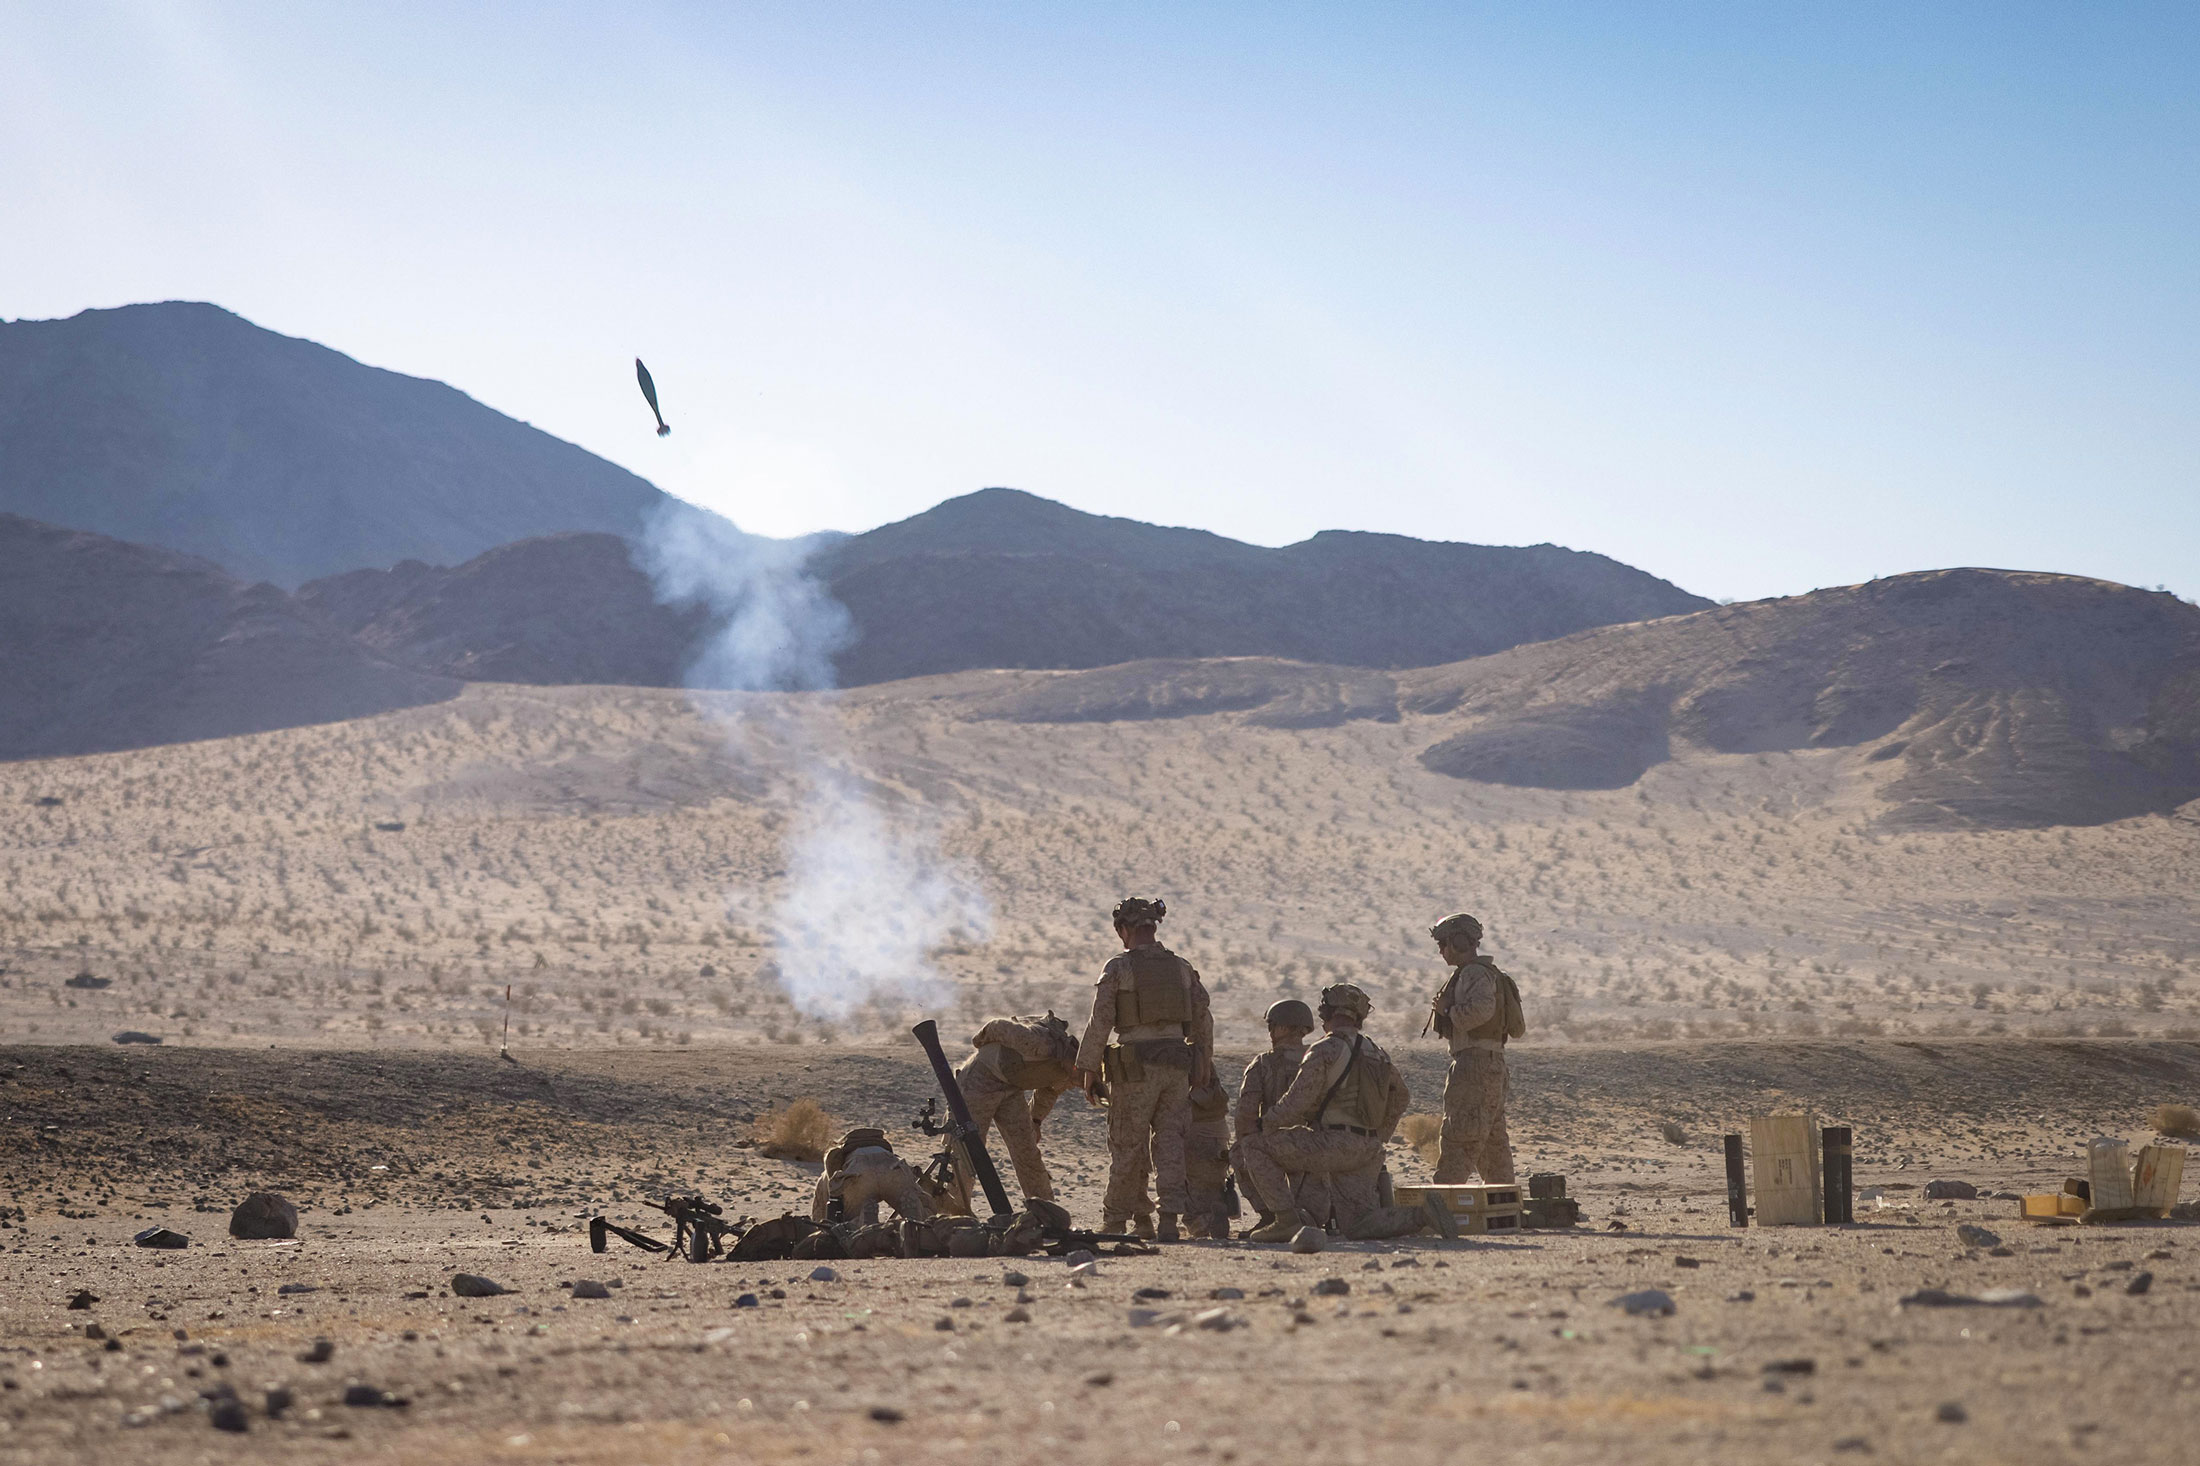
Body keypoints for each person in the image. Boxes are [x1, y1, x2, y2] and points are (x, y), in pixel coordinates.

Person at [1074, 897, 1215, 1243]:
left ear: (1125, 930)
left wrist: (1088, 1068)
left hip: (1136, 1068)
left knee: (1127, 1145)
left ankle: (1116, 1221)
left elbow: (1101, 1020)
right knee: (1170, 1142)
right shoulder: (1181, 967)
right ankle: (1167, 1217)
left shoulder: (1118, 968)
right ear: (1153, 927)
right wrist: (1203, 1063)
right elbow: (1203, 1019)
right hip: (1176, 1067)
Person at [1240, 984, 1421, 1242]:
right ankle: (1421, 1217)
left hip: (1331, 1144)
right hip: (1368, 1150)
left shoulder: (1325, 1049)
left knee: (1254, 1146)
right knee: (1358, 1224)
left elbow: (1297, 1101)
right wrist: (1380, 1135)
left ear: (1327, 1012)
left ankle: (1285, 1220)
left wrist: (1265, 1124)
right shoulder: (1377, 1052)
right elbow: (1401, 1095)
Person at [1426, 913, 1524, 1185]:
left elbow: (1481, 1010)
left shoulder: (1474, 974)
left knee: (1460, 1136)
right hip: (1489, 1065)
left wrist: (1448, 1010)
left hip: (1474, 1066)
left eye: (1444, 943)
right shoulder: (1482, 974)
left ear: (1459, 942)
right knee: (1493, 1144)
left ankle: (1443, 1206)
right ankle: (1504, 1206)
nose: (1441, 951)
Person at [955, 1012, 1078, 1203]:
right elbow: (997, 1026)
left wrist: (1035, 1120)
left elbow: (1048, 1092)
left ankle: (1046, 1212)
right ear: (1077, 1066)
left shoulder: (1069, 1072)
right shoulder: (1041, 1044)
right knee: (969, 1149)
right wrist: (979, 1043)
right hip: (979, 1080)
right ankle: (955, 1211)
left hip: (1010, 1087)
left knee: (1027, 1152)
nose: (1081, 1085)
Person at [1229, 998, 1315, 1233]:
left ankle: (1271, 1216)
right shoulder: (1319, 1060)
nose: (1270, 1032)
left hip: (1273, 1144)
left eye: (1272, 1026)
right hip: (1318, 1144)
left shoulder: (1263, 1063)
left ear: (1284, 1028)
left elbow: (1245, 1114)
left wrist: (1249, 1139)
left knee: (1239, 1152)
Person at [810, 1128, 934, 1225]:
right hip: (892, 1166)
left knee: (849, 1228)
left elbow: (820, 1215)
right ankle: (916, 1222)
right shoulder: (883, 1150)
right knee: (921, 1211)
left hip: (858, 1174)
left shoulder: (828, 1171)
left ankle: (863, 1222)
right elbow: (923, 1197)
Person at [1183, 1076, 1233, 1238]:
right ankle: (1216, 1212)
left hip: (1194, 1128)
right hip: (1217, 1128)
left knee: (1192, 1187)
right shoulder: (1202, 1058)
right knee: (1214, 1182)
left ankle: (1206, 1220)